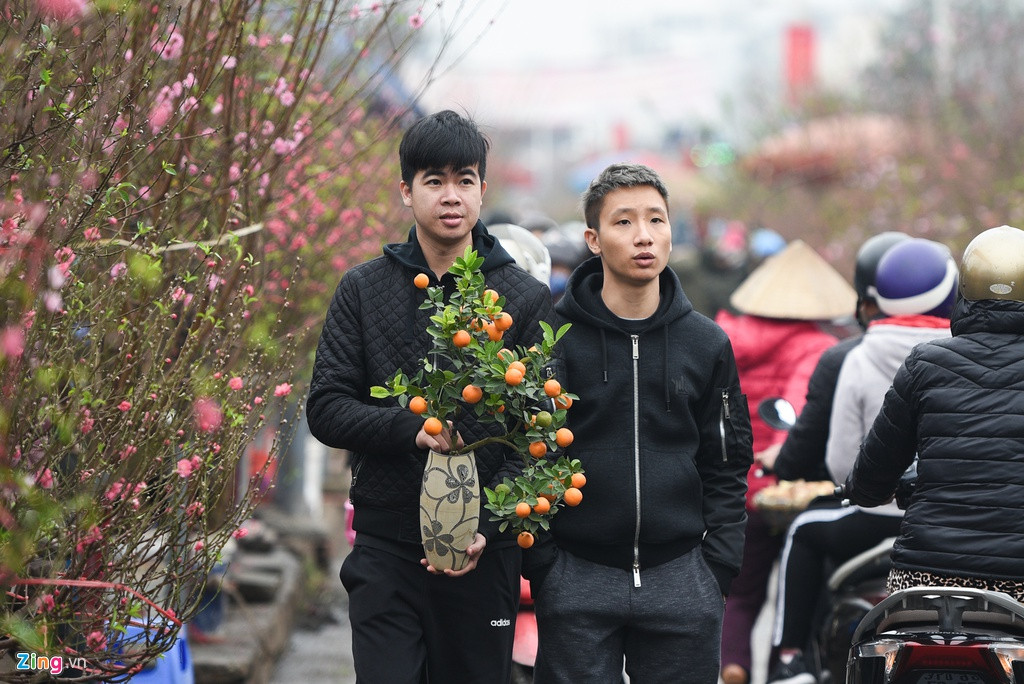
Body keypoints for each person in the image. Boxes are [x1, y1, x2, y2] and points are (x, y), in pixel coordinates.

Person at [305, 110, 554, 684]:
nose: (451, 196)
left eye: (464, 180)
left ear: (483, 191)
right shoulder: (364, 289)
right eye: (433, 180)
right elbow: (327, 407)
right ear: (406, 190)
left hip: (482, 557)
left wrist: (488, 530)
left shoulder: (523, 298)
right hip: (385, 546)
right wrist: (407, 428)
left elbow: (539, 433)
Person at [525, 163, 754, 683]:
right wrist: (545, 565)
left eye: (656, 219)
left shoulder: (706, 342)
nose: (644, 236)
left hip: (683, 579)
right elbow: (531, 455)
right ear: (593, 239)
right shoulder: (552, 339)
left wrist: (717, 565)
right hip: (577, 577)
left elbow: (727, 459)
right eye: (624, 222)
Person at [766, 237, 958, 684]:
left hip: (871, 521)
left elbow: (840, 463)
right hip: (954, 526)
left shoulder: (857, 354)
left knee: (803, 531)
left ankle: (792, 659)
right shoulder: (965, 352)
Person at [847, 224, 1024, 605]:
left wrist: (872, 488)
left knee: (875, 651)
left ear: (962, 294)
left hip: (927, 576)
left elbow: (871, 479)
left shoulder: (926, 363)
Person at [714, 239, 856, 684]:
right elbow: (797, 416)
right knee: (795, 592)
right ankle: (783, 669)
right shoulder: (814, 345)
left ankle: (733, 664)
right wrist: (784, 462)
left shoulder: (726, 338)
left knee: (739, 592)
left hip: (737, 480)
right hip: (785, 485)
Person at [768, 231, 910, 483]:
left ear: (866, 302)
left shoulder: (842, 359)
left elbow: (815, 457)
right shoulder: (962, 348)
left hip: (871, 505)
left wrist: (782, 461)